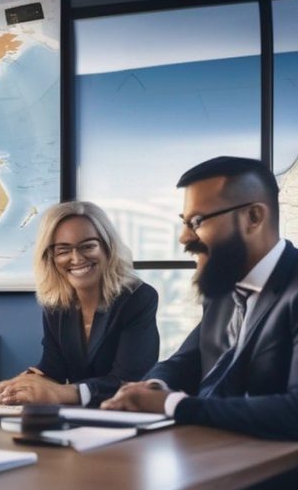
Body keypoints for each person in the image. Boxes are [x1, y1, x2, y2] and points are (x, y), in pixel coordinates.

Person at [102, 156, 298, 441]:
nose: (183, 238)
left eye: (197, 221)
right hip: (204, 451)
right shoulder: (224, 289)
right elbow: (186, 361)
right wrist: (153, 386)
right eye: (184, 222)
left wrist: (173, 405)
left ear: (253, 217)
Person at [0, 201, 159, 407]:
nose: (76, 258)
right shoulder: (56, 304)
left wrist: (62, 393)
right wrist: (23, 383)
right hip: (78, 419)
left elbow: (130, 379)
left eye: (88, 246)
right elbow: (54, 369)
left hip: (129, 414)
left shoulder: (138, 297)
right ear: (50, 257)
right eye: (63, 250)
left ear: (107, 248)